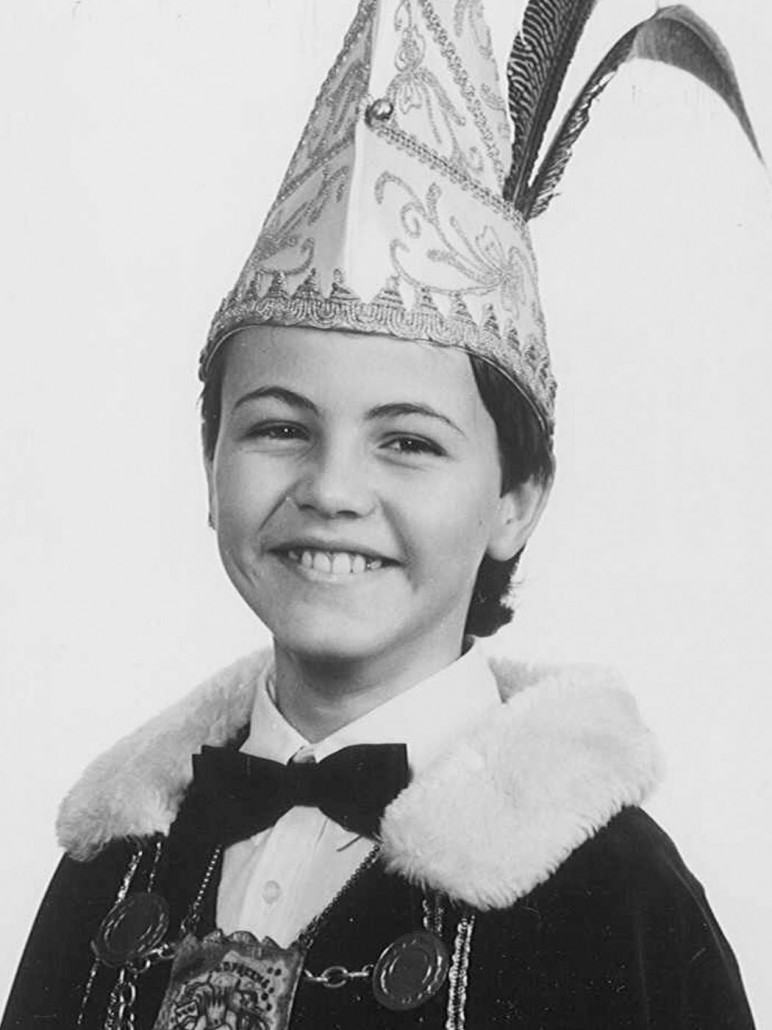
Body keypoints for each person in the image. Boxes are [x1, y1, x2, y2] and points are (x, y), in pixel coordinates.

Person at [2, 0, 760, 1027]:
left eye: (407, 441)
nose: (331, 489)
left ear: (515, 500)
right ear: (208, 462)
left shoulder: (618, 902)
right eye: (279, 427)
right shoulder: (113, 866)